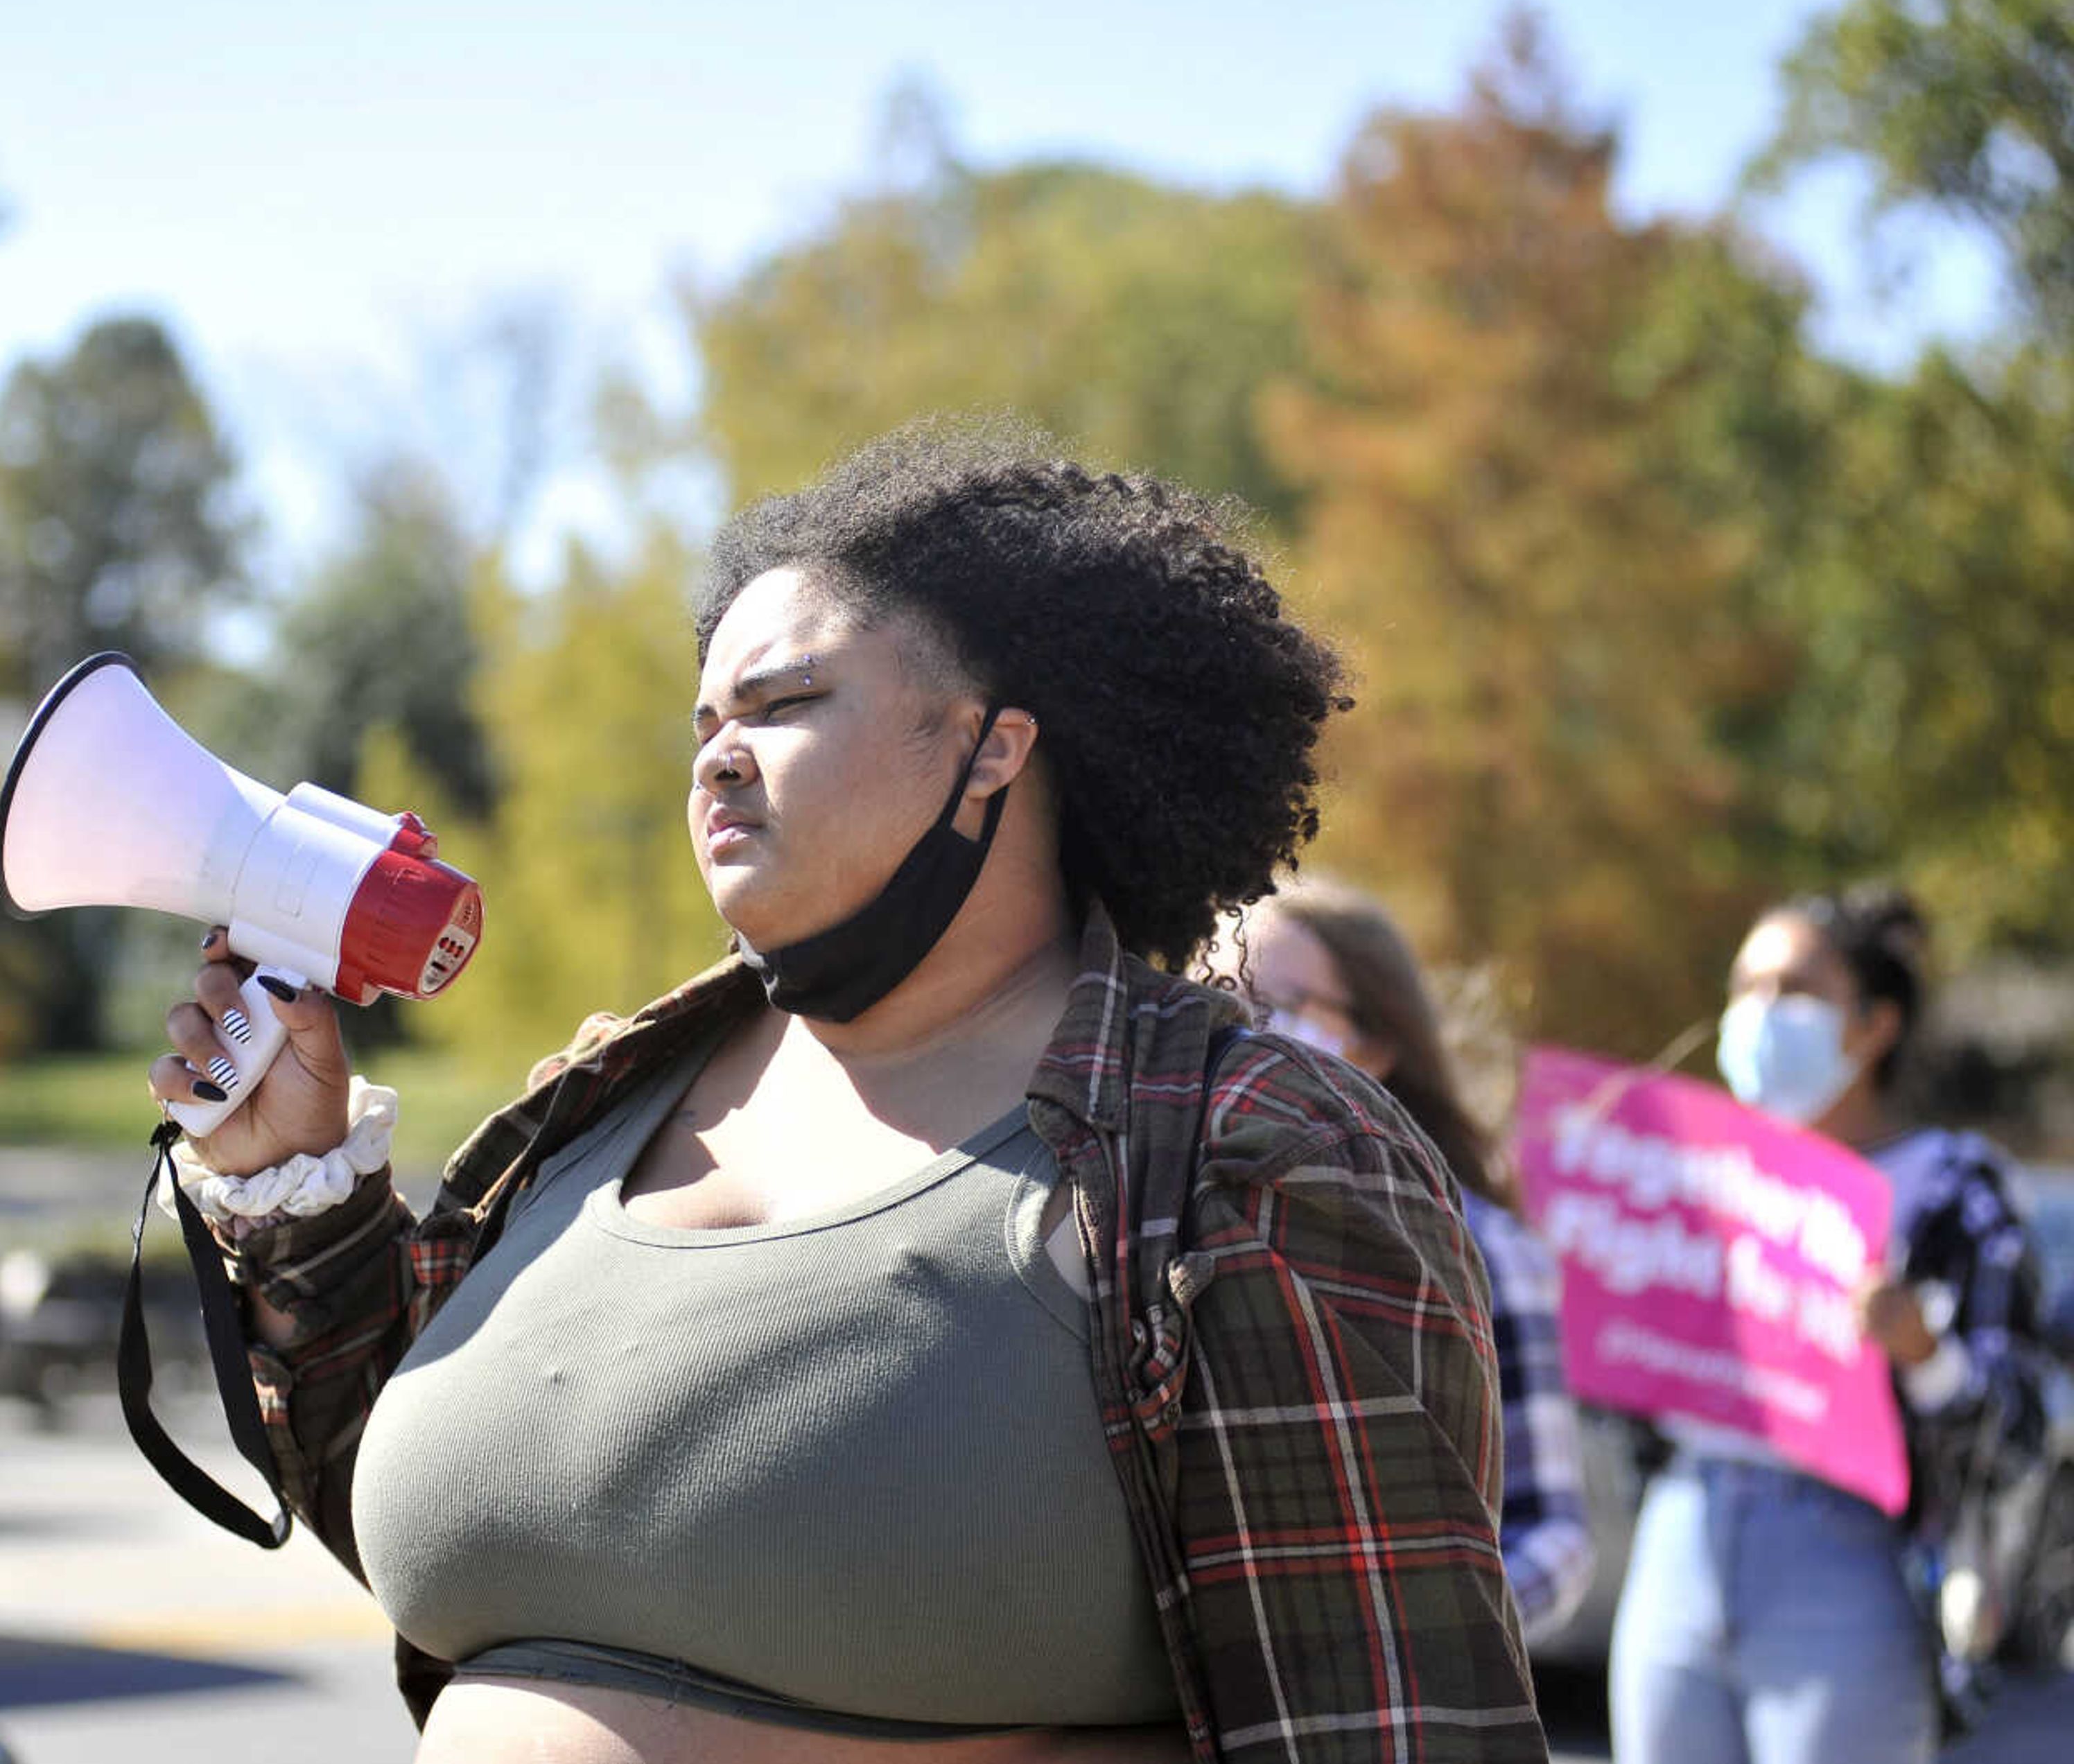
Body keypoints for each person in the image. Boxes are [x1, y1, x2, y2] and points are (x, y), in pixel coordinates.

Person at [147, 427, 1544, 1762]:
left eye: (786, 702)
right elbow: (460, 1546)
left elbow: (1386, 1724)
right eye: (703, 721)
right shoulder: (593, 1107)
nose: (716, 755)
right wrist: (304, 1195)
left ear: (994, 747)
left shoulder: (1245, 1153)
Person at [1607, 885, 2045, 1764]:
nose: (1761, 1015)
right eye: (1747, 988)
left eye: (1796, 991)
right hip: (1679, 1538)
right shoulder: (1695, 1178)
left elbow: (2019, 1431)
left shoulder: (1950, 1190)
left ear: (1874, 1025)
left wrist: (1925, 1355)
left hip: (1845, 1559)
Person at [1222, 880, 1598, 1648]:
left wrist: (1411, 1645)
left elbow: (1551, 1540)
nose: (1246, 1026)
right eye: (1225, 992)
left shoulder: (1483, 1250)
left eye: (1283, 1001)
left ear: (1377, 1047)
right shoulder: (1151, 1214)